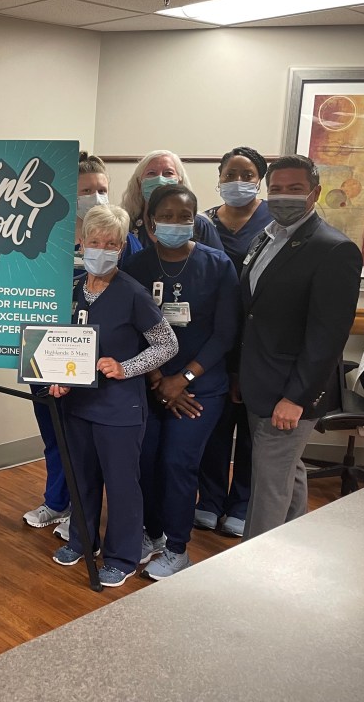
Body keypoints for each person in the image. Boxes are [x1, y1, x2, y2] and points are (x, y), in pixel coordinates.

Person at [49, 205, 177, 587]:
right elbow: (61, 346)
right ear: (82, 243)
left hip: (119, 407)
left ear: (122, 248)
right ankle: (82, 541)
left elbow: (167, 345)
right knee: (81, 479)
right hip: (77, 405)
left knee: (121, 484)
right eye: (93, 242)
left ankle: (121, 557)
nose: (100, 249)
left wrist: (126, 367)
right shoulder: (72, 290)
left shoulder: (133, 294)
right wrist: (57, 377)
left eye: (110, 243)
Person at [238, 155, 361, 539]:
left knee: (268, 488)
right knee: (287, 471)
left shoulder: (334, 249)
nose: (284, 197)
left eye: (295, 189)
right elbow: (254, 313)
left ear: (315, 193)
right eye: (276, 189)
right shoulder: (267, 236)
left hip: (289, 391)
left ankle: (250, 574)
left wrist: (297, 398)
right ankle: (293, 546)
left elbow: (327, 337)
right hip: (260, 380)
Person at [123, 184, 239, 578]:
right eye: (167, 216)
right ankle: (150, 533)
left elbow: (224, 334)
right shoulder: (136, 268)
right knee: (145, 461)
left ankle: (177, 547)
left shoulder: (218, 264)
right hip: (150, 383)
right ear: (151, 221)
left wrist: (183, 378)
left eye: (184, 216)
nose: (175, 223)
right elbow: (131, 330)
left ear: (196, 220)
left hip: (201, 389)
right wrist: (159, 377)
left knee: (177, 463)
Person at [24, 151, 141, 532]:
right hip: (51, 356)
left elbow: (132, 301)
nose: (96, 196)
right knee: (55, 437)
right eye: (86, 190)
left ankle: (80, 512)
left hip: (100, 369)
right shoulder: (48, 236)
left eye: (102, 189)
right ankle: (58, 502)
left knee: (87, 447)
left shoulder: (123, 240)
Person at [195, 146, 272, 537]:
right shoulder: (204, 221)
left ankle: (240, 504)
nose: (237, 182)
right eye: (230, 174)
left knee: (250, 430)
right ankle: (208, 500)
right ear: (219, 177)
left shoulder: (275, 223)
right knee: (214, 426)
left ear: (260, 178)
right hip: (214, 341)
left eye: (247, 174)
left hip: (258, 342)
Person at [122, 150, 223, 251]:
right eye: (151, 173)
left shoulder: (201, 226)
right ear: (139, 182)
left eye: (168, 173)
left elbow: (217, 262)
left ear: (180, 181)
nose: (159, 179)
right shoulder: (127, 225)